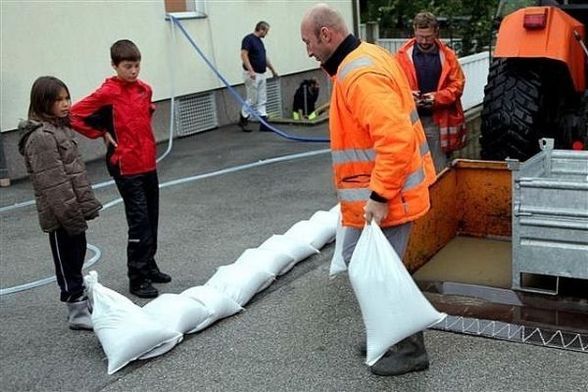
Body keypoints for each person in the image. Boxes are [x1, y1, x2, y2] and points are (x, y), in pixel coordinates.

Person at [300, 3, 436, 376]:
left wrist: (378, 198)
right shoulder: (363, 58)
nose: (308, 50)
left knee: (380, 272)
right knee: (360, 261)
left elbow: (394, 139)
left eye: (308, 42)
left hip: (389, 195)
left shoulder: (359, 76)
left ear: (326, 35)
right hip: (384, 192)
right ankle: (387, 332)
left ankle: (409, 348)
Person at [70, 39, 171, 299]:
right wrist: (100, 132)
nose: (133, 71)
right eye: (127, 66)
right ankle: (137, 278)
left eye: (137, 65)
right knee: (139, 222)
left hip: (147, 162)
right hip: (125, 166)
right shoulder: (108, 92)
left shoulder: (144, 89)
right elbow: (74, 115)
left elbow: (143, 117)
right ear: (115, 65)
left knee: (152, 217)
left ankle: (149, 265)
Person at [18, 76, 102, 330]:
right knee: (66, 260)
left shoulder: (60, 129)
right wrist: (70, 214)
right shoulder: (41, 137)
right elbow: (53, 183)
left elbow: (73, 173)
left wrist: (82, 206)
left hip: (72, 209)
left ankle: (82, 299)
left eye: (67, 98)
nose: (66, 104)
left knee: (77, 254)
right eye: (58, 100)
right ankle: (76, 310)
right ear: (43, 103)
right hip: (61, 214)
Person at [396, 11, 466, 173]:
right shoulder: (401, 57)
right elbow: (393, 85)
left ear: (436, 32)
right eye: (420, 36)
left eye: (428, 37)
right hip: (411, 120)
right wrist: (408, 95)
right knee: (412, 167)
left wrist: (436, 98)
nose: (424, 41)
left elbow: (457, 85)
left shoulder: (448, 57)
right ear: (414, 31)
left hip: (437, 121)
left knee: (438, 169)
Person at [238, 21, 278, 132]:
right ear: (261, 29)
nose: (266, 34)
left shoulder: (260, 42)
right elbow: (243, 54)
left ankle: (264, 124)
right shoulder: (248, 39)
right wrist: (251, 71)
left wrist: (273, 70)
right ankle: (243, 117)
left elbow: (264, 57)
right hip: (252, 74)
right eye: (266, 31)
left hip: (261, 74)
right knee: (252, 99)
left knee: (262, 99)